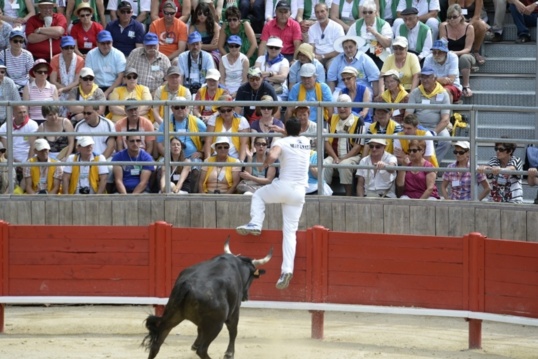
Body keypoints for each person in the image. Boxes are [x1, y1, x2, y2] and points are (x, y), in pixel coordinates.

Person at [236, 118, 311, 290]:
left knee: (259, 196)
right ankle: (286, 270)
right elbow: (294, 137)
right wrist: (284, 130)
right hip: (299, 192)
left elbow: (273, 154)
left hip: (284, 186)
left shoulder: (281, 142)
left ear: (286, 129)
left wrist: (264, 165)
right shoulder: (306, 141)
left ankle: (256, 222)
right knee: (290, 232)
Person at [323, 93, 366, 196]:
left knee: (344, 165)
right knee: (324, 164)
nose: (342, 109)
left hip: (353, 156)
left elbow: (358, 146)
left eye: (345, 106)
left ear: (350, 107)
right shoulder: (331, 119)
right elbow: (326, 142)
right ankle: (325, 194)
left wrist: (343, 158)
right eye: (339, 107)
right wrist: (335, 157)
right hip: (334, 155)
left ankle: (348, 196)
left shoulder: (358, 121)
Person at [407, 66, 451, 163]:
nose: (425, 80)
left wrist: (433, 133)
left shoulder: (443, 93)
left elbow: (445, 120)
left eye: (428, 77)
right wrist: (416, 128)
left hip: (436, 126)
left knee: (446, 141)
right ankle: (413, 165)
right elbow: (408, 115)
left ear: (435, 79)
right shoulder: (415, 92)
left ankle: (431, 165)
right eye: (423, 77)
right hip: (418, 126)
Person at [439, 4, 476, 98]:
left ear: (461, 16)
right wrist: (450, 54)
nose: (451, 19)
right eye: (449, 17)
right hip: (448, 54)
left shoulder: (469, 27)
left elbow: (468, 49)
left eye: (454, 17)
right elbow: (443, 46)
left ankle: (466, 85)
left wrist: (454, 53)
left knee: (464, 58)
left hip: (464, 54)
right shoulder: (444, 26)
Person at [346, 0, 394, 70]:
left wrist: (375, 33)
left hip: (379, 52)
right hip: (361, 53)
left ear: (375, 12)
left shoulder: (383, 24)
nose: (367, 14)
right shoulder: (356, 25)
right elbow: (348, 41)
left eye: (370, 12)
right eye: (364, 12)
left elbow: (387, 44)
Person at [204, 94, 249, 161]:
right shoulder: (213, 119)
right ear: (219, 111)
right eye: (223, 111)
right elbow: (208, 141)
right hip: (215, 157)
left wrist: (240, 163)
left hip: (235, 158)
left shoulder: (242, 120)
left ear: (233, 109)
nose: (226, 113)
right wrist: (207, 160)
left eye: (229, 110)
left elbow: (244, 144)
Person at [478, 139, 523, 203]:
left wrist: (501, 169)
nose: (498, 151)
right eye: (496, 149)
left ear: (510, 151)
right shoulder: (494, 159)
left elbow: (512, 168)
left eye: (501, 150)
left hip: (514, 201)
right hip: (494, 201)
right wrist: (484, 167)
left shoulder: (516, 160)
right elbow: (489, 167)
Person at [84, 30, 126, 98]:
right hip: (95, 87)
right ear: (97, 43)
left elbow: (121, 77)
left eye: (108, 43)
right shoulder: (90, 54)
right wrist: (97, 91)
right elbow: (88, 76)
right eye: (103, 43)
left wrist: (106, 93)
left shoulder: (119, 55)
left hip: (114, 88)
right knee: (94, 107)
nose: (106, 46)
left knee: (113, 106)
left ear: (112, 42)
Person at [49, 36, 85, 116]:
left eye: (72, 47)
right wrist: (62, 89)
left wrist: (64, 89)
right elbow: (53, 81)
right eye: (66, 48)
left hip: (74, 90)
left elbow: (77, 81)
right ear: (61, 48)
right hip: (58, 89)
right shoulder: (55, 59)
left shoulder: (80, 60)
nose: (69, 50)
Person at [446, 0, 488, 65]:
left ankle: (476, 51)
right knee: (444, 25)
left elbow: (477, 16)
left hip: (472, 21)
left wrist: (467, 26)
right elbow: (451, 13)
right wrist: (460, 23)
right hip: (456, 20)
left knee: (481, 25)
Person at [423, 38, 462, 103]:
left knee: (444, 91)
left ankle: (446, 113)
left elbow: (451, 80)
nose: (436, 55)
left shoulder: (453, 57)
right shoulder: (428, 58)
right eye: (434, 52)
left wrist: (433, 79)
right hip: (432, 85)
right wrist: (440, 79)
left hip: (452, 86)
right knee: (421, 90)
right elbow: (425, 78)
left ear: (446, 52)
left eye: (440, 52)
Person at [307, 3, 344, 70]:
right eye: (317, 12)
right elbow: (311, 48)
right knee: (310, 68)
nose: (320, 14)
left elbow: (340, 50)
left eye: (322, 11)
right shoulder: (312, 28)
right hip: (317, 57)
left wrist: (323, 56)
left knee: (332, 68)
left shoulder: (337, 27)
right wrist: (315, 57)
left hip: (333, 57)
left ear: (327, 12)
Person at [23, 59, 59, 125]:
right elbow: (25, 108)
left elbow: (56, 109)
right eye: (40, 72)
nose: (43, 74)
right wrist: (28, 123)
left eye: (45, 72)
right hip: (32, 121)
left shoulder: (53, 87)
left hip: (49, 121)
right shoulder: (27, 88)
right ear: (34, 73)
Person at [254, 36, 290, 101]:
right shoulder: (260, 59)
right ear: (267, 48)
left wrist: (263, 76)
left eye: (276, 48)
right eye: (271, 47)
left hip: (279, 92)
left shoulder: (284, 61)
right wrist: (272, 74)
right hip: (261, 90)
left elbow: (282, 78)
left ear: (280, 49)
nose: (273, 49)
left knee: (275, 101)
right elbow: (255, 75)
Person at [188, 2, 220, 66]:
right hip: (196, 51)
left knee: (211, 59)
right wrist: (209, 46)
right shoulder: (193, 27)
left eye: (205, 13)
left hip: (212, 52)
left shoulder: (214, 26)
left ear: (208, 14)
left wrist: (197, 45)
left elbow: (215, 46)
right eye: (199, 13)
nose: (202, 15)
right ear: (196, 14)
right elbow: (190, 45)